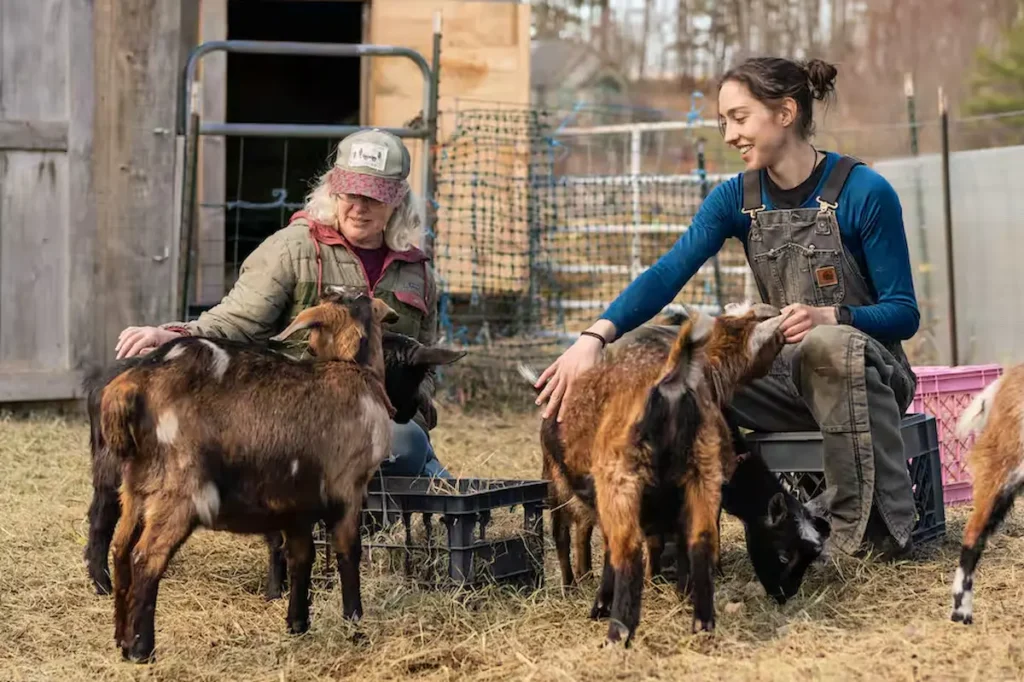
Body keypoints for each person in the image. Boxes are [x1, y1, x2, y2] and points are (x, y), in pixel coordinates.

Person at [533, 57, 921, 561]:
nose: (729, 134)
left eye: (739, 118)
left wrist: (835, 316)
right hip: (786, 380)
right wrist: (596, 336)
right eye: (723, 123)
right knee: (666, 359)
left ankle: (862, 532)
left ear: (785, 112)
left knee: (825, 344)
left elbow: (904, 313)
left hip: (869, 376)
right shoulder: (737, 199)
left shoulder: (865, 193)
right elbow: (668, 272)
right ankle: (675, 533)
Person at [114, 128, 450, 479]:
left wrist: (415, 410)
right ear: (332, 190)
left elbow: (424, 361)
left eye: (374, 197)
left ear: (397, 200)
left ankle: (406, 480)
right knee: (405, 446)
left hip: (382, 419)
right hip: (299, 417)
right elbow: (236, 321)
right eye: (350, 193)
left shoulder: (417, 270)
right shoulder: (292, 249)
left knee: (411, 446)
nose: (359, 207)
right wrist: (172, 336)